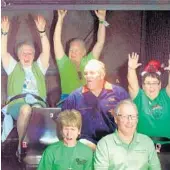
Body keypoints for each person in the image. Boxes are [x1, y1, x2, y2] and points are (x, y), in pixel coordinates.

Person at [1, 15, 50, 159]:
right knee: (26, 109)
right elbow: (3, 52)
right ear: (18, 55)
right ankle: (21, 145)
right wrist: (3, 33)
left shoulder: (39, 67)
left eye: (30, 53)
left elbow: (46, 51)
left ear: (34, 55)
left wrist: (42, 33)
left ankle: (39, 147)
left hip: (38, 103)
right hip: (18, 104)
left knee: (38, 111)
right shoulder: (13, 67)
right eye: (23, 53)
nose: (27, 56)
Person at [62, 59, 129, 150]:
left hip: (114, 144)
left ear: (102, 75)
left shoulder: (119, 93)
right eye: (86, 73)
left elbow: (130, 119)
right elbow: (63, 123)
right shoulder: (75, 97)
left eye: (92, 73)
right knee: (82, 145)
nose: (88, 76)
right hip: (86, 144)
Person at [53, 10, 107, 102]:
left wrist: (102, 20)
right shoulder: (64, 63)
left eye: (76, 50)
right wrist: (60, 19)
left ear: (84, 52)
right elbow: (56, 41)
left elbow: (100, 42)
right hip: (68, 99)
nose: (73, 53)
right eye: (71, 50)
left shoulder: (89, 62)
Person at [127, 52, 170, 169]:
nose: (151, 87)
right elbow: (132, 85)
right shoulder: (139, 97)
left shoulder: (166, 96)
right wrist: (131, 69)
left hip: (167, 152)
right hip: (143, 151)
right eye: (147, 83)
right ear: (143, 85)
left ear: (160, 84)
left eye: (155, 83)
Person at [94, 99, 161, 170]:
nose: (129, 121)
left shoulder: (147, 142)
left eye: (133, 116)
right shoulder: (104, 144)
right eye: (124, 116)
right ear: (116, 119)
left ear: (137, 119)